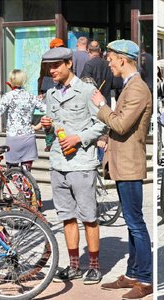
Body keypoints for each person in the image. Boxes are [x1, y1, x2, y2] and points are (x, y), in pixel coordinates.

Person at [91, 39, 154, 298]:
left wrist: (101, 105)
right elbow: (119, 128)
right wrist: (105, 139)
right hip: (122, 163)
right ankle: (132, 273)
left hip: (129, 165)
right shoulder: (130, 86)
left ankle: (146, 280)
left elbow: (121, 124)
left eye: (110, 57)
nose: (108, 61)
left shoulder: (137, 88)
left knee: (136, 223)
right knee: (131, 222)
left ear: (122, 59)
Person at [39, 47, 106, 284]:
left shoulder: (88, 91)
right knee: (67, 217)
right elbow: (52, 130)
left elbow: (102, 124)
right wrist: (47, 124)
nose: (52, 70)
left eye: (56, 65)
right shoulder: (50, 94)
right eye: (49, 66)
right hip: (58, 163)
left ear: (69, 63)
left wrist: (78, 138)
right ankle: (75, 265)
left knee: (89, 217)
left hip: (82, 163)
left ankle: (95, 266)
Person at [0, 69, 44, 170]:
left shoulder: (8, 96)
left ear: (11, 81)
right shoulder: (31, 97)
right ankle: (27, 186)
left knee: (12, 172)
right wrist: (38, 126)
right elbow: (49, 110)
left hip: (14, 138)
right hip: (29, 137)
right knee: (26, 174)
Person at [82, 40, 114, 105]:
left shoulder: (89, 64)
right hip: (106, 102)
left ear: (88, 50)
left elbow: (84, 85)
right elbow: (115, 84)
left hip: (93, 102)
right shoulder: (108, 64)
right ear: (99, 50)